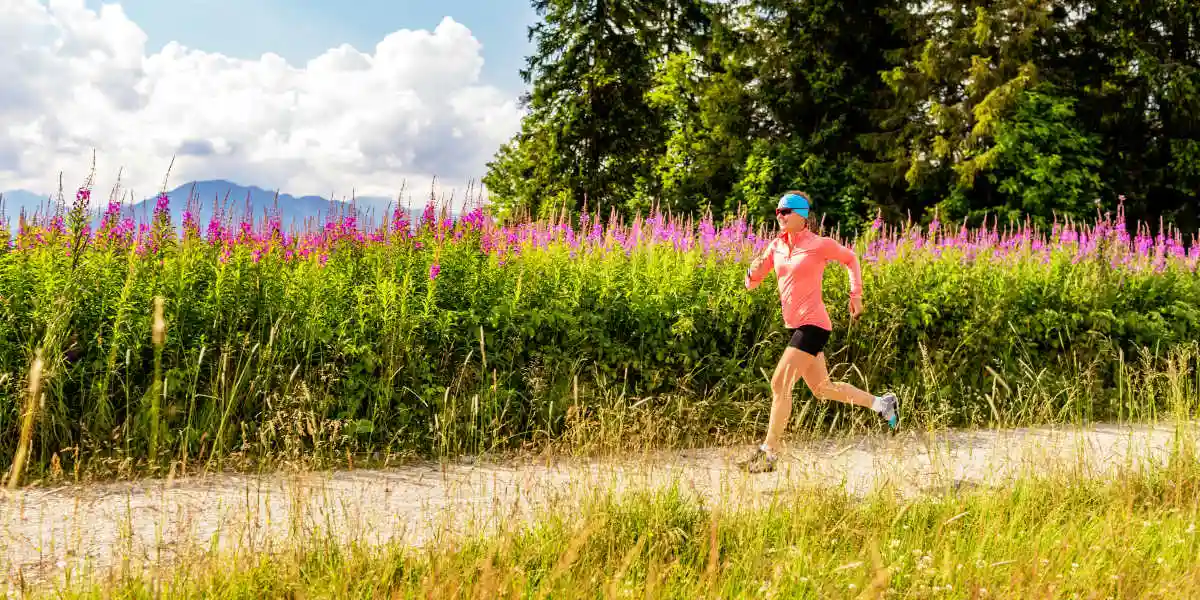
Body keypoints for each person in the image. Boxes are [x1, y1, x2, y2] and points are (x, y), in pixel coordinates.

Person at [738, 191, 898, 474]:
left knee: (779, 384)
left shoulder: (818, 245)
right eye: (777, 211)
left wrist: (856, 296)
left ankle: (769, 454)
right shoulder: (775, 247)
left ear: (802, 214)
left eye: (786, 211)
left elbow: (851, 259)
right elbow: (753, 282)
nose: (780, 216)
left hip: (814, 324)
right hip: (797, 326)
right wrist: (750, 274)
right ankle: (882, 404)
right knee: (823, 389)